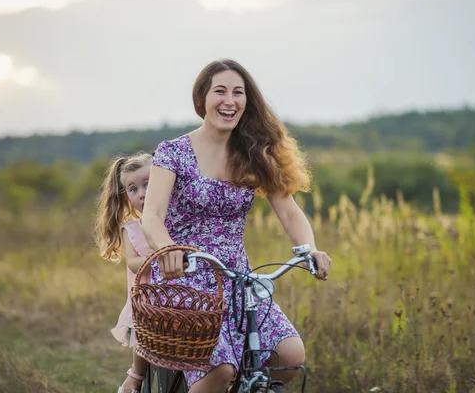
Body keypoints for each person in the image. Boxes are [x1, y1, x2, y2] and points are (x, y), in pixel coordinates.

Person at [141, 58, 332, 393]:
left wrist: (309, 249)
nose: (230, 101)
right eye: (220, 91)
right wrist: (169, 250)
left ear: (247, 102)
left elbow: (288, 211)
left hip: (236, 279)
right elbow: (152, 216)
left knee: (289, 356)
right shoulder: (172, 152)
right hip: (184, 276)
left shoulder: (252, 153)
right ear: (202, 98)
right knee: (221, 369)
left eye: (238, 93)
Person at [94, 151, 155, 393]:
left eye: (148, 185)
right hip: (146, 295)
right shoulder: (131, 229)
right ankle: (135, 378)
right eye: (133, 189)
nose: (141, 194)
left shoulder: (176, 220)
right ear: (126, 196)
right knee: (143, 332)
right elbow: (132, 262)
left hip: (176, 294)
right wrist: (158, 257)